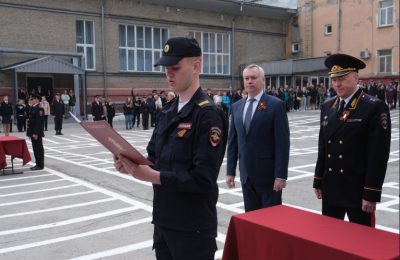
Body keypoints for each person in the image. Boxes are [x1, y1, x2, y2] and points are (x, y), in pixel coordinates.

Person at [114, 37, 228, 260]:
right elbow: (154, 157)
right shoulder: (168, 111)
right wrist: (130, 163)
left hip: (192, 229)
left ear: (196, 66)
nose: (169, 73)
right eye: (166, 68)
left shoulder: (208, 115)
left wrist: (154, 177)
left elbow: (203, 179)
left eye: (175, 67)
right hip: (164, 221)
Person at [313, 53, 391, 227]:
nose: (337, 84)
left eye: (342, 78)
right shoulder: (327, 106)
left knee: (363, 244)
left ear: (356, 78)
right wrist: (318, 179)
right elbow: (323, 146)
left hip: (357, 190)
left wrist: (371, 193)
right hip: (331, 186)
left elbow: (378, 155)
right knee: (330, 239)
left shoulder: (373, 107)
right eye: (334, 79)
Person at [226, 64, 290, 212]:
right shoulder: (236, 107)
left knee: (270, 222)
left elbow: (282, 143)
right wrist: (230, 171)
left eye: (253, 78)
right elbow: (233, 143)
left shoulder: (275, 105)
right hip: (246, 176)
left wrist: (280, 176)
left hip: (268, 177)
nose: (249, 81)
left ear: (263, 80)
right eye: (246, 78)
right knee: (251, 221)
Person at [27, 93, 45, 170]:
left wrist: (36, 133)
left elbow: (39, 122)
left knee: (38, 148)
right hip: (32, 132)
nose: (31, 100)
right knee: (35, 148)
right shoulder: (33, 108)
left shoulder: (39, 109)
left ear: (37, 100)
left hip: (36, 133)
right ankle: (37, 163)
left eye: (32, 99)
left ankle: (40, 165)